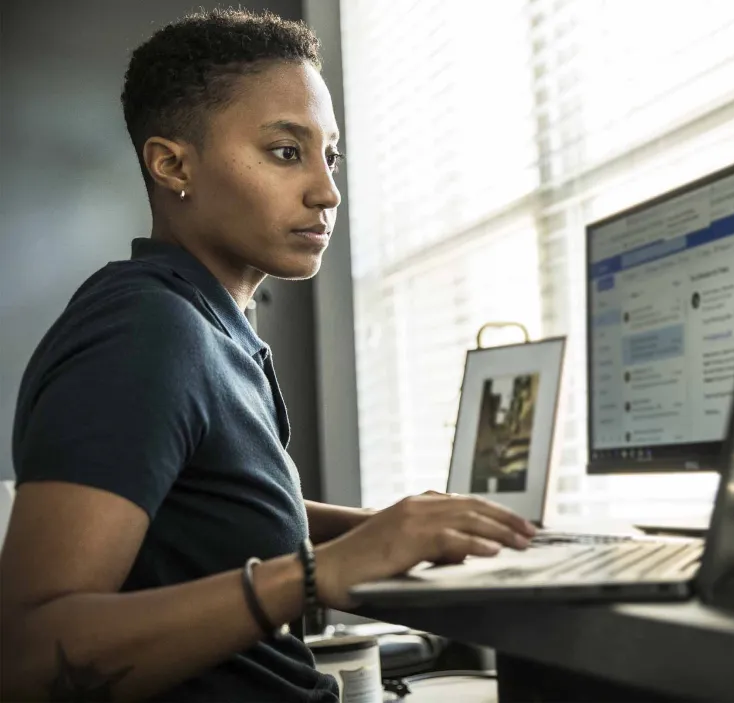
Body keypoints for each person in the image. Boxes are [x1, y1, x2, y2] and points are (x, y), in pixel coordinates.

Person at [0, 9, 535, 702]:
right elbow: (24, 654)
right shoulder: (145, 331)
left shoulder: (209, 326)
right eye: (287, 151)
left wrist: (389, 527)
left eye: (329, 155)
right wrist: (314, 574)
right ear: (171, 164)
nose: (327, 191)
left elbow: (209, 508)